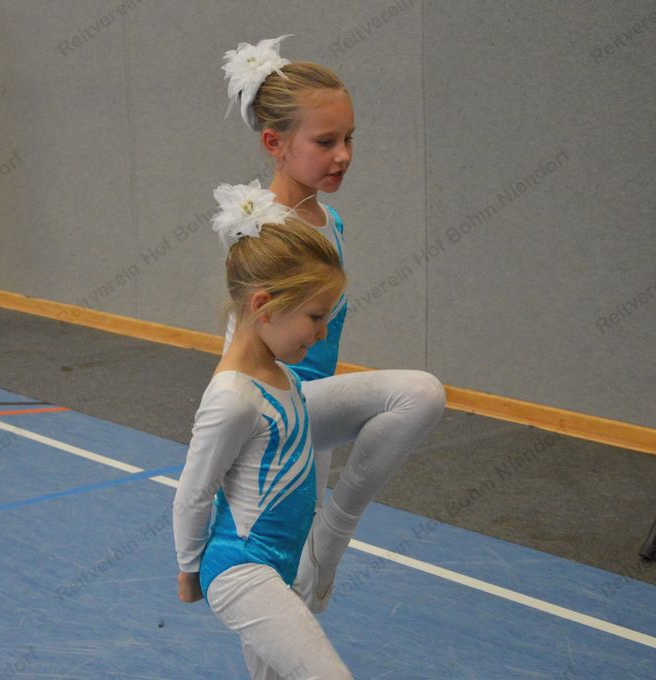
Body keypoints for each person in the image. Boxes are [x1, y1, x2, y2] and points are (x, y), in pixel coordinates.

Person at [221, 37, 447, 613]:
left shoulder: (330, 222)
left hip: (310, 405)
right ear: (275, 143)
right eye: (325, 142)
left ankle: (324, 544)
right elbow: (239, 342)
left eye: (349, 139)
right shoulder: (270, 232)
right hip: (272, 413)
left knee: (298, 598)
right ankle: (333, 534)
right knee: (418, 394)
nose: (342, 155)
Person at [174, 180, 353, 679]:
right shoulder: (232, 398)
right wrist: (189, 568)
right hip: (241, 569)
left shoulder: (285, 378)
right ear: (263, 306)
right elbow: (194, 491)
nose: (323, 332)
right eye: (315, 317)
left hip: (280, 564)